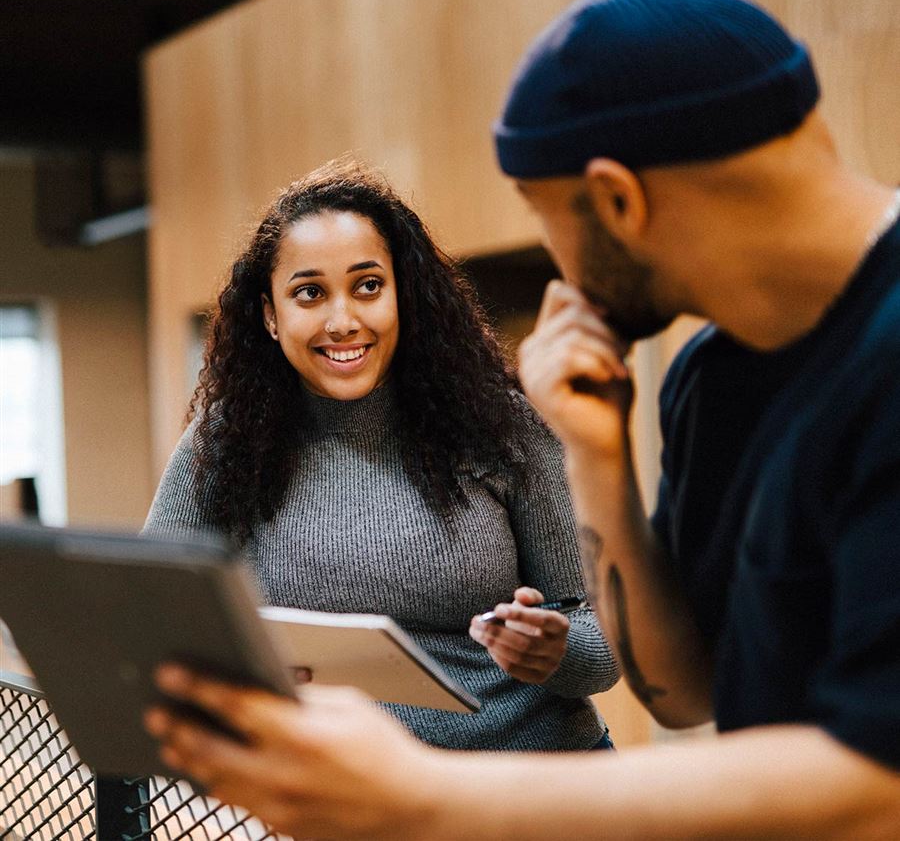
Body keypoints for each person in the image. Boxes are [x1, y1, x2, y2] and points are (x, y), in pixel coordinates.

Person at [144, 0, 900, 838]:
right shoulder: (708, 376)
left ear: (619, 200)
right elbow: (687, 694)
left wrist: (420, 797)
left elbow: (881, 783)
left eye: (548, 223)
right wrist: (598, 459)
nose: (559, 267)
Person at [143, 158, 619, 753]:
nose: (343, 321)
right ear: (270, 315)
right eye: (309, 293)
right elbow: (156, 619)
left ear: (403, 297)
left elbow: (602, 645)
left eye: (368, 286)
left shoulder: (499, 426)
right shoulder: (224, 443)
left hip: (530, 777)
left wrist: (556, 647)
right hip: (346, 790)